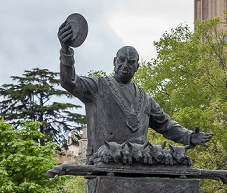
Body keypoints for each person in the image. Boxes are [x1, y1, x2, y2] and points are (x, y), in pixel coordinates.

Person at [57, 21, 213, 162]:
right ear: (114, 62)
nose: (125, 65)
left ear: (137, 67)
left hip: (138, 164)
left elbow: (166, 124)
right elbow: (70, 81)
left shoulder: (144, 99)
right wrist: (65, 50)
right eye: (121, 60)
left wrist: (190, 137)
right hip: (104, 165)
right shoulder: (98, 87)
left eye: (131, 62)